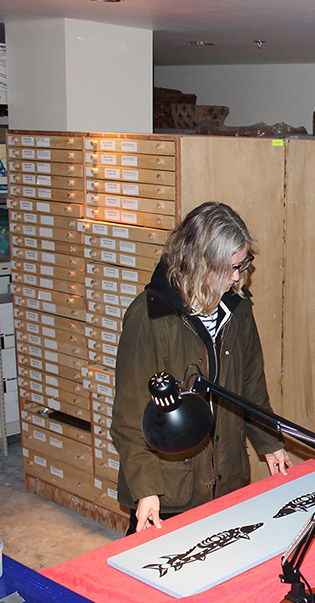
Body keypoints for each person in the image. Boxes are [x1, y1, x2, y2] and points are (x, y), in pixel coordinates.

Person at [112, 201, 292, 535]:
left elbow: (251, 385)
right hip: (171, 487)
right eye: (230, 267)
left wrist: (269, 441)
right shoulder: (149, 318)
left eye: (242, 264)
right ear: (199, 263)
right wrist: (146, 489)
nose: (238, 277)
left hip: (226, 476)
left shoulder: (237, 309)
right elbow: (129, 415)